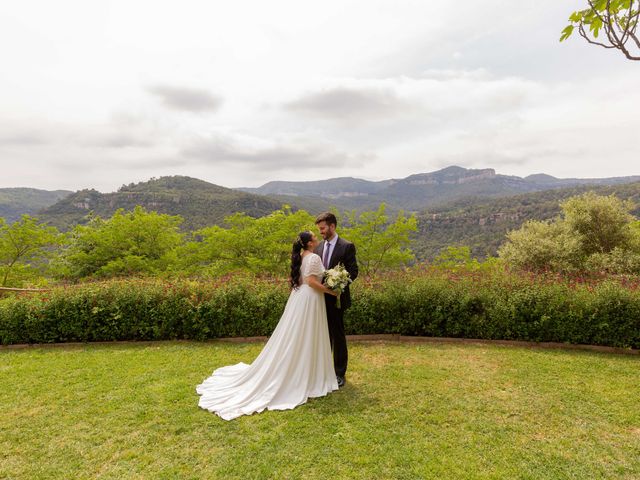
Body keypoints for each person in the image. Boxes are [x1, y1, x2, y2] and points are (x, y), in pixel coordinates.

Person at [196, 231, 339, 420]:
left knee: (298, 335)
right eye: (314, 237)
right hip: (310, 299)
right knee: (306, 335)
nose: (317, 239)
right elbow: (312, 282)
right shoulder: (313, 257)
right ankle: (306, 374)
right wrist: (331, 291)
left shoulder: (301, 257)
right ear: (310, 243)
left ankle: (307, 370)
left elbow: (302, 280)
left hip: (299, 299)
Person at [314, 212, 358, 388]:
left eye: (323, 228)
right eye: (319, 229)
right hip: (318, 299)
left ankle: (339, 373)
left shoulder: (347, 246)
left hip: (337, 299)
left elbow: (353, 272)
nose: (321, 232)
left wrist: (338, 284)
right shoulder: (318, 247)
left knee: (338, 336)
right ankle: (323, 370)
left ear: (332, 226)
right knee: (323, 335)